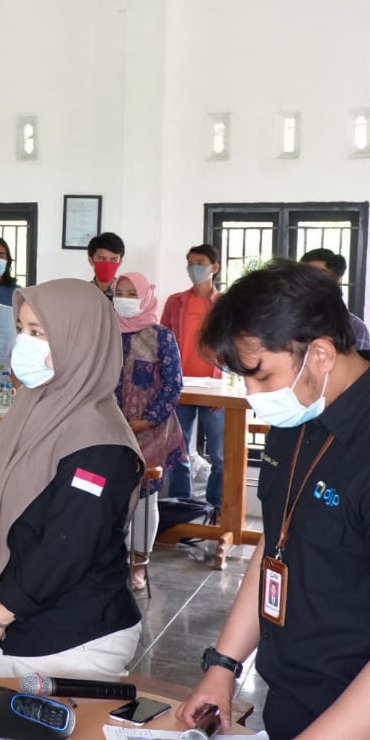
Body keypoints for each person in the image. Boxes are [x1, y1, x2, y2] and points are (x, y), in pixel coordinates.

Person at [176, 260, 370, 739]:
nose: (253, 395)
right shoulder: (299, 413)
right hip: (290, 699)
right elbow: (278, 539)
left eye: (261, 376)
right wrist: (224, 665)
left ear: (320, 353)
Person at [0, 279, 143, 679]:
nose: (23, 343)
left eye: (38, 332)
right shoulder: (32, 411)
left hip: (74, 636)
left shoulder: (102, 443)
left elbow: (66, 546)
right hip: (17, 623)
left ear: (79, 342)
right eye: (21, 329)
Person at [113, 272, 185, 592]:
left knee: (144, 496)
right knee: (111, 495)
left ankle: (139, 562)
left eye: (132, 293)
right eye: (120, 292)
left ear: (146, 296)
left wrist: (147, 420)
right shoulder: (105, 332)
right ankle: (112, 559)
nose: (125, 298)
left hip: (149, 430)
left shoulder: (161, 336)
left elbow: (173, 385)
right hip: (108, 427)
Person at [160, 244, 224, 503]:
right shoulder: (175, 301)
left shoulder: (224, 304)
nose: (194, 268)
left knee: (220, 454)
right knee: (179, 450)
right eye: (190, 263)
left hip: (215, 389)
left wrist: (225, 386)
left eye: (200, 263)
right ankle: (181, 504)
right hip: (181, 385)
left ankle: (217, 506)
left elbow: (234, 345)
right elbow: (163, 340)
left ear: (214, 267)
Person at [299, 248, 370, 350]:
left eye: (321, 276)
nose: (312, 282)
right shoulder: (287, 319)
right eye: (306, 275)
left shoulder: (355, 327)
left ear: (337, 281)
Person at [87, 232, 126, 298]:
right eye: (101, 259)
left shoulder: (127, 295)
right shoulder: (84, 291)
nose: (107, 264)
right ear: (91, 260)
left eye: (114, 259)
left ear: (120, 262)